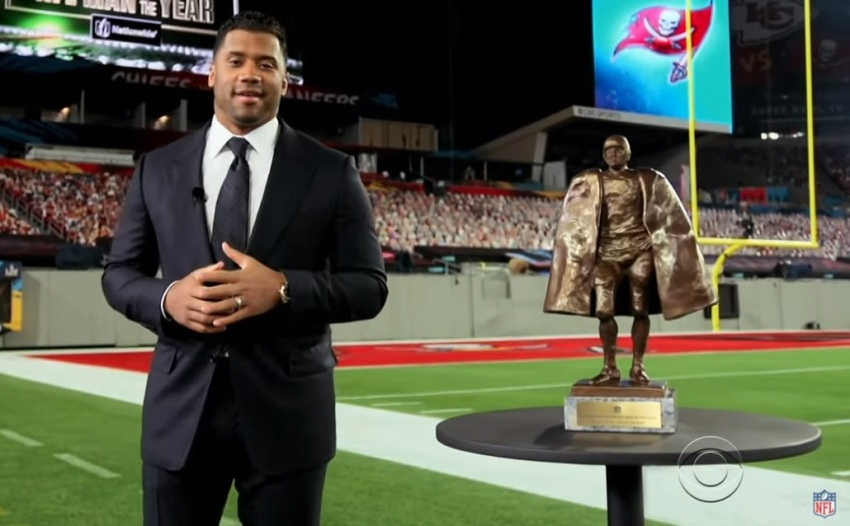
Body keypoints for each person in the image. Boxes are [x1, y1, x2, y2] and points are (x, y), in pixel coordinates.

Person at [101, 11, 388, 526]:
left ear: (284, 79)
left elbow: (369, 288)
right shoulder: (157, 168)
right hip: (180, 413)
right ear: (212, 73)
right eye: (235, 61)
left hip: (289, 416)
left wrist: (282, 288)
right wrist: (169, 300)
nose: (249, 73)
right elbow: (119, 274)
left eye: (265, 63)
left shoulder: (331, 171)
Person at [543, 135, 715, 385]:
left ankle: (638, 365)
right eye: (609, 150)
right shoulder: (591, 181)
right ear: (604, 155)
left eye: (618, 150)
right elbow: (574, 223)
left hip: (639, 251)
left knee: (639, 308)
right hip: (607, 253)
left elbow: (673, 219)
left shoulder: (647, 179)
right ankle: (609, 367)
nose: (613, 154)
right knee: (603, 310)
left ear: (628, 153)